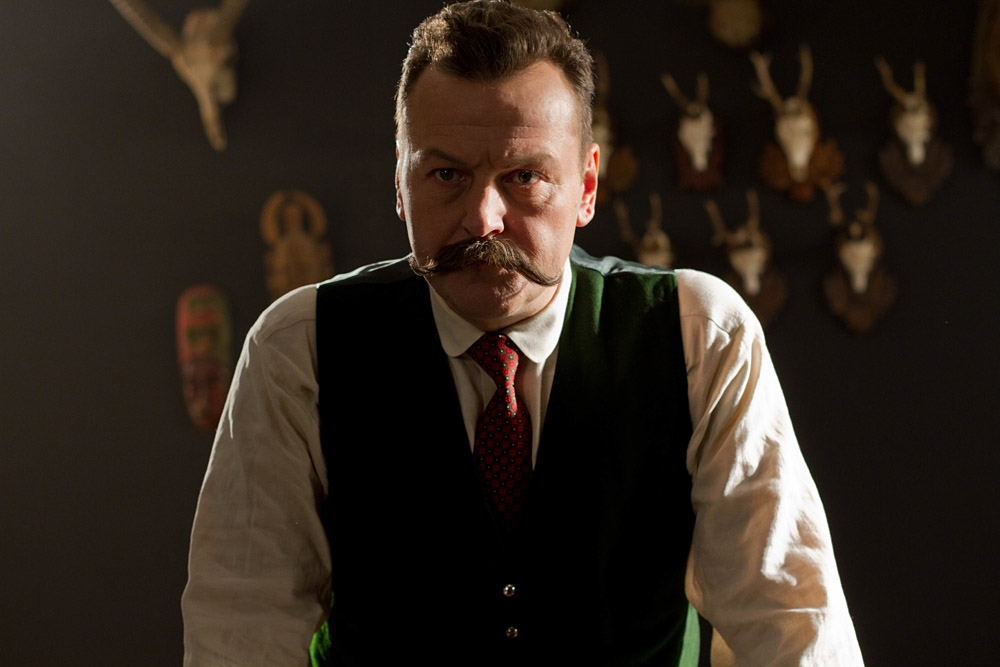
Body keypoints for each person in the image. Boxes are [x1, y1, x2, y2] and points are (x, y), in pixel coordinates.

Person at [181, 2, 864, 665]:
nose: (483, 219)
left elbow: (791, 624)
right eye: (446, 174)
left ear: (587, 186)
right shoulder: (300, 349)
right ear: (399, 182)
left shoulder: (700, 337)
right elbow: (241, 631)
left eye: (526, 177)